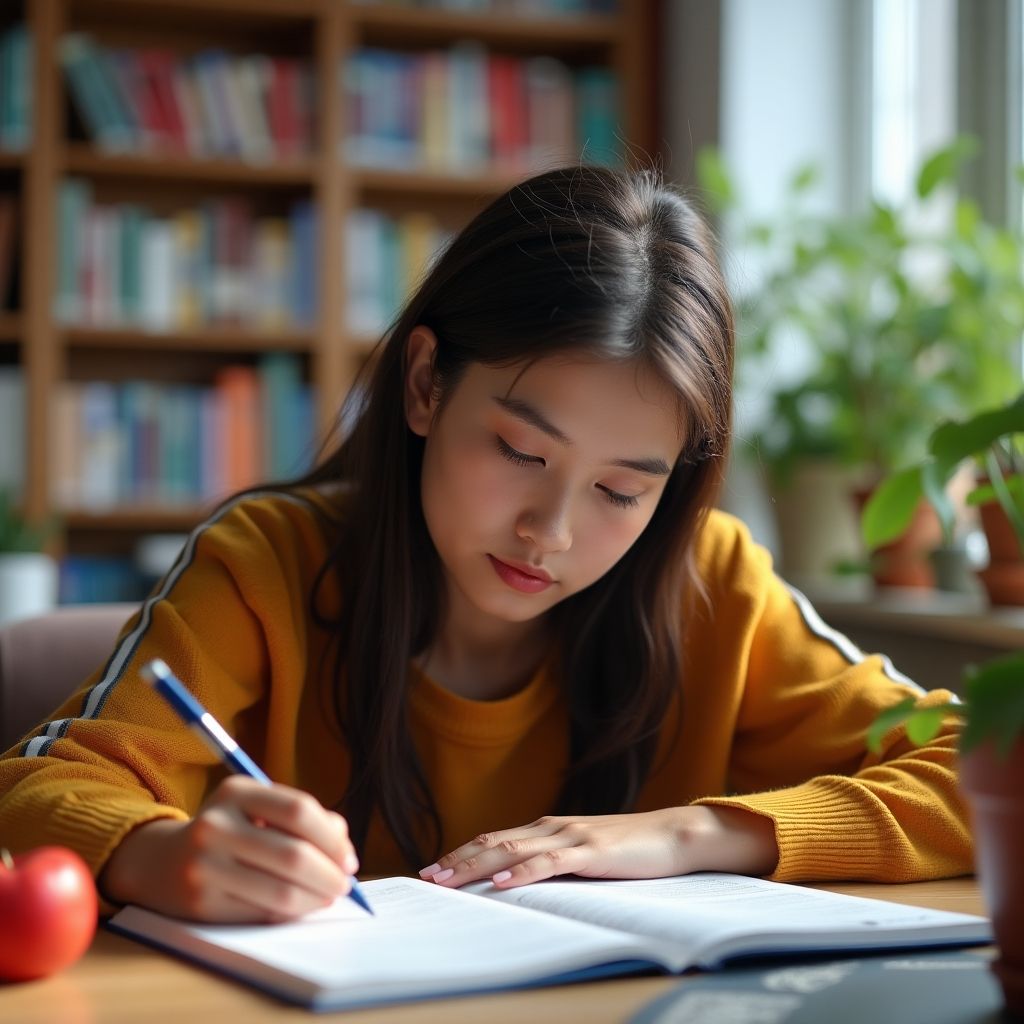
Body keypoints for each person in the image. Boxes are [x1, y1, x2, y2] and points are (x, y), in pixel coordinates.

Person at [0, 166, 970, 924]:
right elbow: (37, 785)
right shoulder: (265, 565)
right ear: (424, 384)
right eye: (517, 449)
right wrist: (162, 854)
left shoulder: (710, 581)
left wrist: (690, 833)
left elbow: (983, 763)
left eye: (621, 490)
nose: (550, 531)